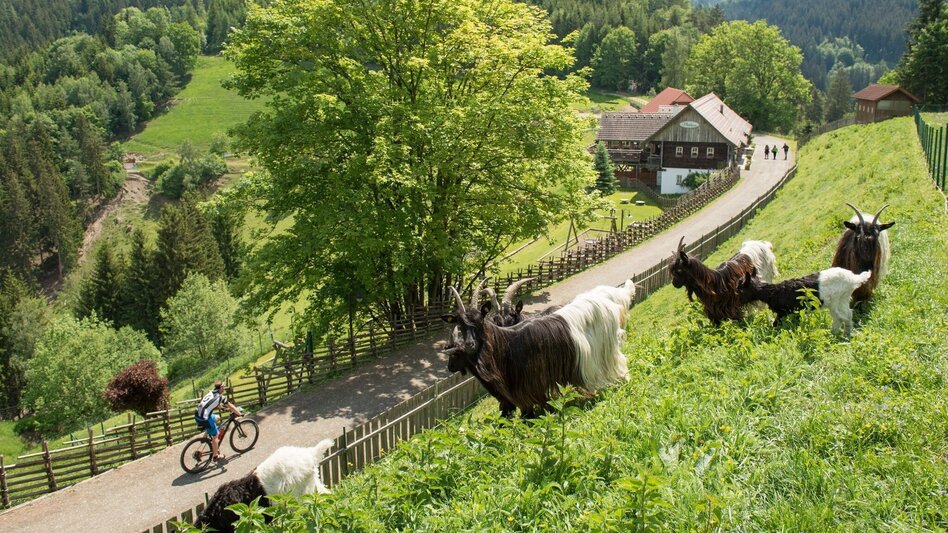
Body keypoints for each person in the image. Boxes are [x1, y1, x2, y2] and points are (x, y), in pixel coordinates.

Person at [195, 380, 242, 462]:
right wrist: (239, 414)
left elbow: (211, 402)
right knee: (216, 435)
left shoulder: (211, 393)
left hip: (198, 415)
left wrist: (222, 408)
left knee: (217, 418)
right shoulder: (221, 397)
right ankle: (216, 456)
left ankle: (206, 434)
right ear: (220, 388)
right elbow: (230, 406)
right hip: (204, 418)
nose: (224, 388)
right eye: (223, 387)